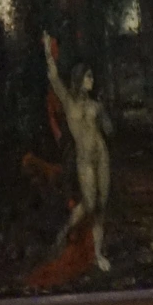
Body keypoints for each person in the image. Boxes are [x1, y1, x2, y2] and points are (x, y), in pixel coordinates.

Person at [41, 30, 112, 272]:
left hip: (101, 155)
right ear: (80, 79)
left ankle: (99, 254)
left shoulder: (96, 105)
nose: (92, 80)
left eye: (92, 76)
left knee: (101, 206)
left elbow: (109, 130)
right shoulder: (69, 102)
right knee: (89, 205)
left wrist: (105, 114)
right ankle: (64, 232)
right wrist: (47, 51)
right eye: (88, 76)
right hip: (85, 160)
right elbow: (53, 77)